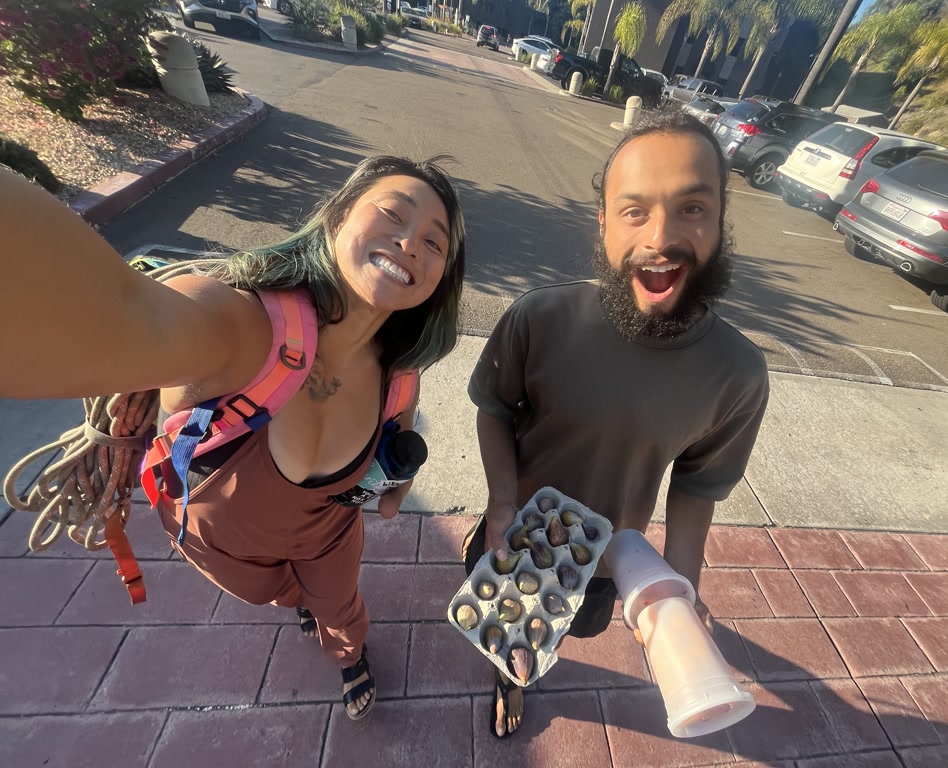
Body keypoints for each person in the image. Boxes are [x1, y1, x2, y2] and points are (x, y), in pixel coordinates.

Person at [0, 155, 466, 721]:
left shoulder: (400, 371)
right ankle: (299, 603)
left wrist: (395, 481)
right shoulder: (242, 328)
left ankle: (346, 654)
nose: (410, 243)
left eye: (434, 243)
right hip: (220, 543)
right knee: (279, 594)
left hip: (328, 533)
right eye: (393, 213)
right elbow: (127, 314)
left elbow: (402, 432)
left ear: (441, 279)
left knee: (340, 606)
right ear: (337, 216)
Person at [462, 112, 770, 738]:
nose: (661, 236)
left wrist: (683, 581)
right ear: (602, 225)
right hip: (514, 535)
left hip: (608, 562)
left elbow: (698, 483)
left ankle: (529, 666)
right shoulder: (538, 318)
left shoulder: (737, 373)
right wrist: (499, 503)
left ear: (719, 223)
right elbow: (494, 407)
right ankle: (510, 680)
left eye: (691, 208)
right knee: (507, 634)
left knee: (559, 633)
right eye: (635, 211)